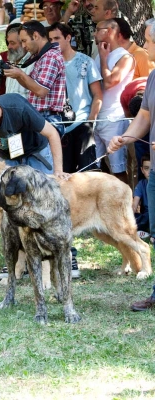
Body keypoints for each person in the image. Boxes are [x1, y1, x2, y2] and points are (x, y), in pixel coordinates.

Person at [107, 20, 155, 311]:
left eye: (149, 41)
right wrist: (125, 138)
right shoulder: (152, 77)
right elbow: (145, 117)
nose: (146, 46)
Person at [0, 92, 67, 178]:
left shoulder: (19, 107)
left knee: (44, 194)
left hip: (36, 150)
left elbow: (52, 133)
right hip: (7, 157)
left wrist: (58, 171)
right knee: (7, 195)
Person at [47, 22, 102, 173]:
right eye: (50, 39)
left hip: (82, 123)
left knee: (89, 173)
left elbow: (98, 94)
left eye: (57, 38)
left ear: (68, 38)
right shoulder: (48, 64)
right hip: (59, 127)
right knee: (64, 175)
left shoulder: (86, 62)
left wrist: (91, 121)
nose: (53, 42)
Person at [3, 21, 66, 136]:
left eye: (24, 41)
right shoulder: (42, 56)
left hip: (47, 118)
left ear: (35, 36)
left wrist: (21, 74)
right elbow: (31, 86)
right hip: (40, 117)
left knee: (41, 154)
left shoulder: (50, 56)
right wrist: (17, 75)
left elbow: (41, 91)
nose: (23, 46)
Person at [94, 18, 135, 184]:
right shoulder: (99, 54)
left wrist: (104, 59)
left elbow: (111, 82)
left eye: (98, 29)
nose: (95, 33)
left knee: (118, 169)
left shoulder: (125, 57)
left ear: (110, 31)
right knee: (96, 168)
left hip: (115, 118)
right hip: (98, 116)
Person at [4, 24, 33, 97]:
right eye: (8, 43)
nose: (8, 47)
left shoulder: (33, 64)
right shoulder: (11, 63)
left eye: (12, 43)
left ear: (23, 43)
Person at [134, 157, 150, 239]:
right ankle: (143, 230)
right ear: (142, 170)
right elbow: (134, 206)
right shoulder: (141, 184)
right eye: (146, 168)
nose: (150, 172)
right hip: (147, 215)